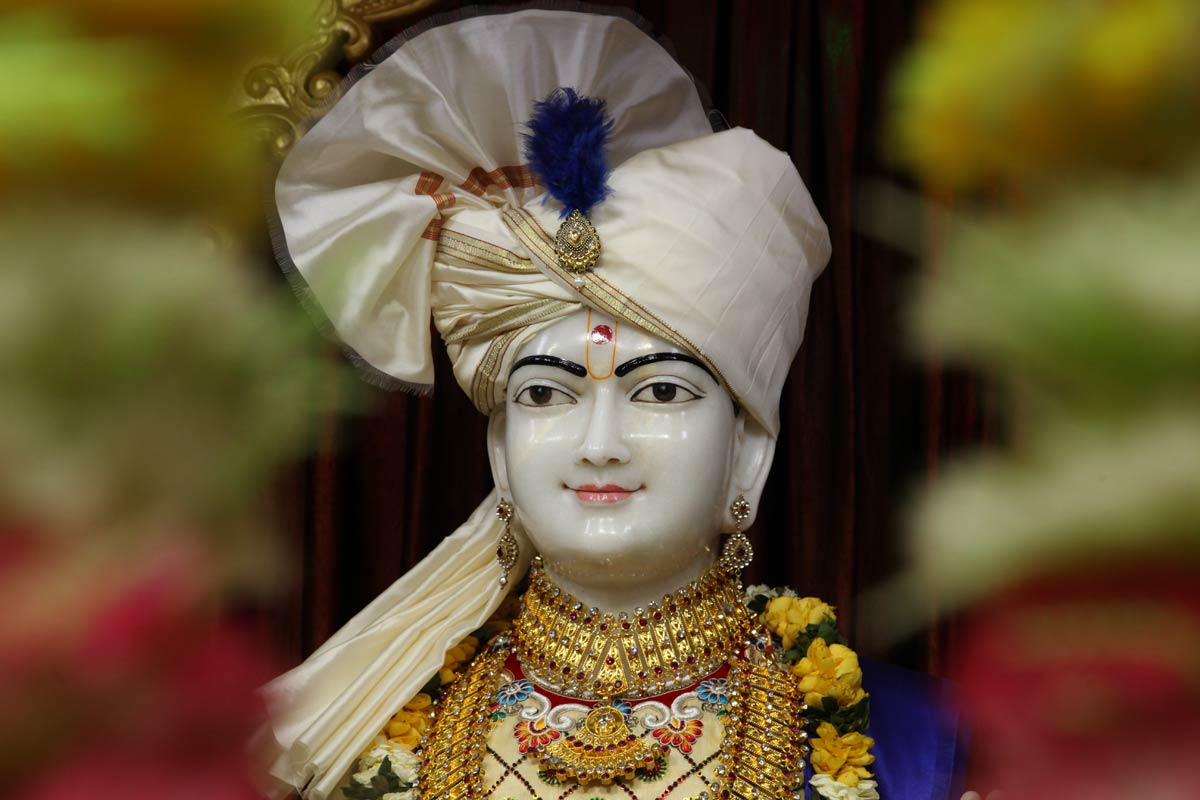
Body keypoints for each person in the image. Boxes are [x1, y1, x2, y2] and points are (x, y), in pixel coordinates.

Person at [263, 7, 965, 799]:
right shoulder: (366, 737)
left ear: (750, 451)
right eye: (546, 394)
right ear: (499, 453)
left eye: (660, 391)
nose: (600, 443)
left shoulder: (912, 746)